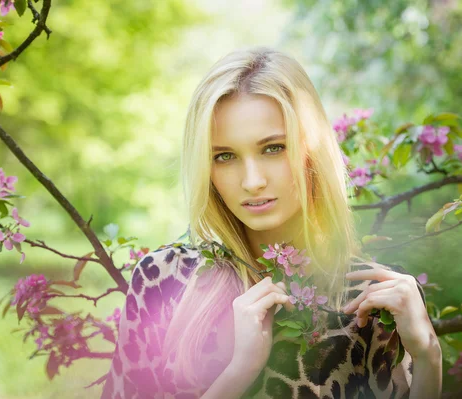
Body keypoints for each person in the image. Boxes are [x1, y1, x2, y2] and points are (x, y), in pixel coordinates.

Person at [100, 46, 442, 399]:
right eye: (225, 156)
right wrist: (239, 372)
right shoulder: (165, 280)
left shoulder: (370, 297)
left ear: (312, 149)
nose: (252, 181)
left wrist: (429, 356)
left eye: (273, 148)